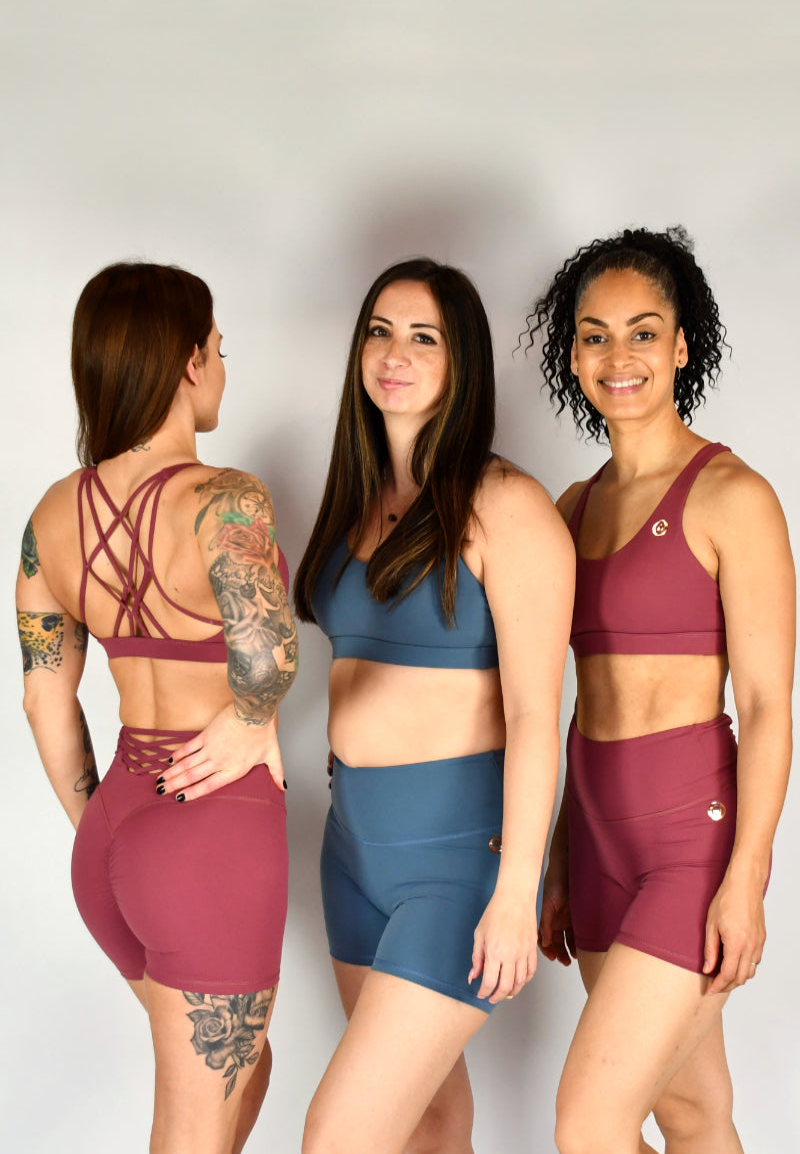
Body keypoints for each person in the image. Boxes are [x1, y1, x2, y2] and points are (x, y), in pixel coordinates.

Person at [292, 258, 574, 1153]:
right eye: (380, 331)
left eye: (425, 338)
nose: (395, 354)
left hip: (457, 866)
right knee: (429, 1124)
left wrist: (517, 892)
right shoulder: (356, 501)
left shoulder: (507, 505)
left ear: (463, 363)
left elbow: (535, 715)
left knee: (337, 1137)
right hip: (351, 853)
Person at [16, 263, 298, 1154]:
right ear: (188, 362)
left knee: (246, 1069)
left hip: (112, 836)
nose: (222, 367)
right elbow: (268, 657)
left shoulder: (52, 516)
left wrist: (107, 826)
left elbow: (43, 696)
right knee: (191, 1134)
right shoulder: (226, 498)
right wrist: (252, 716)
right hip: (207, 838)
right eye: (218, 348)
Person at [528, 227, 794, 1154]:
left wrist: (748, 879)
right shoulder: (571, 508)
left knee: (589, 1125)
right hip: (597, 836)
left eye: (643, 333)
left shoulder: (733, 497)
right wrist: (560, 855)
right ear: (573, 356)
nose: (619, 356)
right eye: (595, 336)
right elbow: (581, 697)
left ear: (681, 347)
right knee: (691, 1114)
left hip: (691, 845)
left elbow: (768, 706)